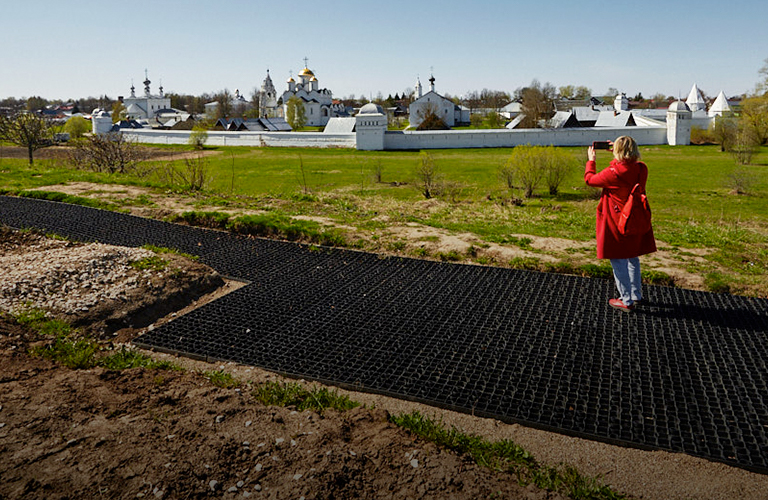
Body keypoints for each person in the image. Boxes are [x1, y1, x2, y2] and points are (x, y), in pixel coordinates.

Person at [585, 136, 657, 312]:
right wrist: (619, 154)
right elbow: (628, 166)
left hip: (616, 221)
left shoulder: (613, 173)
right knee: (632, 257)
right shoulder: (641, 169)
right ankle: (636, 294)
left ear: (617, 151)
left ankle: (626, 300)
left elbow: (590, 180)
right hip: (634, 218)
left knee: (618, 260)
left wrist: (591, 161)